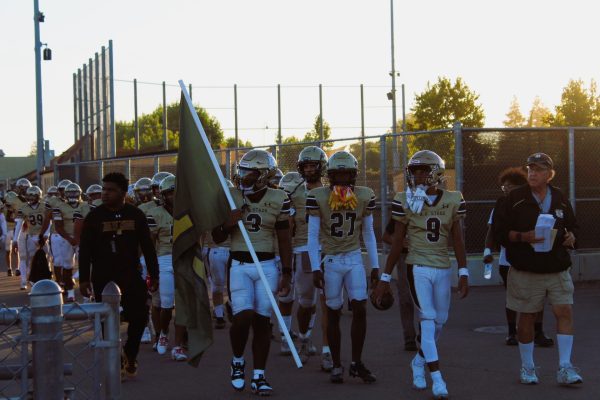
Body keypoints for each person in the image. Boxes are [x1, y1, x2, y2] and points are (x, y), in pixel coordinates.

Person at [374, 150, 468, 400]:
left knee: (440, 321)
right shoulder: (404, 199)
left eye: (423, 170)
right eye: (414, 171)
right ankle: (437, 378)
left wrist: (464, 271)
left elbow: (457, 239)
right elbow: (395, 243)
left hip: (442, 266)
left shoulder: (453, 199)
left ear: (436, 173)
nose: (418, 175)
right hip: (417, 267)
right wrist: (384, 278)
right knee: (427, 320)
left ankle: (418, 361)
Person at [492, 153, 582, 386]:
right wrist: (524, 237)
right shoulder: (513, 198)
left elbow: (572, 226)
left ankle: (565, 367)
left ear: (549, 174)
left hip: (557, 268)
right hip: (526, 270)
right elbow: (500, 234)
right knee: (528, 316)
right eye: (530, 168)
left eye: (539, 169)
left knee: (565, 311)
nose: (532, 173)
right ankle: (528, 367)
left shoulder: (560, 197)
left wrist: (572, 236)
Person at [212, 149, 292, 396]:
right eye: (242, 171)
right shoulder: (230, 196)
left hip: (267, 265)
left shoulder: (279, 197)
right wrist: (229, 222)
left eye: (249, 172)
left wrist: (287, 272)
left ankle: (259, 375)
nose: (243, 176)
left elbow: (284, 238)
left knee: (262, 322)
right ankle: (237, 361)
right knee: (242, 317)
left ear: (263, 174)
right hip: (239, 264)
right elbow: (216, 236)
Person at [78, 172, 159, 380]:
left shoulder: (136, 215)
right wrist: (84, 279)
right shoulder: (94, 217)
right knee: (106, 321)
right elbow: (85, 249)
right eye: (103, 189)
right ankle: (115, 361)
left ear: (123, 192)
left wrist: (154, 273)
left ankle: (130, 353)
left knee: (140, 315)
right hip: (103, 275)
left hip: (130, 273)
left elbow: (148, 247)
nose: (105, 193)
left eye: (110, 190)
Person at [307, 150, 378, 384]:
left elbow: (368, 232)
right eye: (337, 175)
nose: (342, 180)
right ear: (330, 175)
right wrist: (315, 267)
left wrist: (375, 266)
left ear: (354, 175)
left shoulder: (364, 195)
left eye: (346, 174)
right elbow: (312, 235)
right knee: (334, 312)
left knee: (360, 309)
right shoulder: (318, 196)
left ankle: (356, 363)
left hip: (354, 258)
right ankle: (337, 364)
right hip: (331, 261)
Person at [483, 167, 553, 347]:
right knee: (512, 297)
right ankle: (511, 332)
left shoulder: (532, 206)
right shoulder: (500, 207)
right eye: (504, 186)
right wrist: (487, 252)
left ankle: (538, 332)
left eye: (511, 186)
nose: (506, 189)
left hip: (533, 258)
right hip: (509, 261)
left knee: (538, 296)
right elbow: (492, 233)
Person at [281, 146, 331, 370]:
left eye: (313, 165)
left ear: (322, 167)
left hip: (328, 250)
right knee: (306, 303)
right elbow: (287, 226)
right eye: (306, 166)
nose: (310, 169)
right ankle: (304, 336)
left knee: (329, 304)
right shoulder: (294, 193)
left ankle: (328, 351)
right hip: (303, 250)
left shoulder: (332, 192)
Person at [146, 175, 188, 361]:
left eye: (176, 192)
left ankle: (178, 346)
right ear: (163, 195)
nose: (173, 196)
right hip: (164, 259)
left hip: (184, 259)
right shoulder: (155, 214)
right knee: (166, 304)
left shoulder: (189, 212)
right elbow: (150, 245)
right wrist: (151, 270)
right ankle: (163, 333)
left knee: (183, 305)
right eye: (169, 193)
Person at [381, 218, 417, 351]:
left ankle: (425, 335)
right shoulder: (401, 212)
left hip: (423, 257)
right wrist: (398, 242)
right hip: (404, 258)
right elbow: (385, 236)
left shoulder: (427, 210)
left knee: (424, 298)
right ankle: (409, 338)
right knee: (405, 297)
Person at [51, 183, 91, 302]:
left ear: (79, 193)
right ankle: (70, 292)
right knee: (67, 266)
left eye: (75, 193)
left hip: (82, 239)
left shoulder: (85, 205)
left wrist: (79, 238)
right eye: (70, 193)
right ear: (65, 194)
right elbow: (58, 226)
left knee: (85, 266)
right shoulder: (59, 206)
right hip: (66, 238)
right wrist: (70, 239)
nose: (73, 195)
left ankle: (86, 295)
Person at [15, 186, 50, 291]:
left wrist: (46, 234)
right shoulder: (24, 208)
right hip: (31, 236)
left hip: (43, 236)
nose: (30, 197)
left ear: (38, 196)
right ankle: (32, 280)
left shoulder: (45, 206)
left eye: (32, 195)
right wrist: (15, 239)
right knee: (31, 259)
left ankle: (46, 278)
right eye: (29, 195)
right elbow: (19, 224)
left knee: (47, 257)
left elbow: (49, 221)